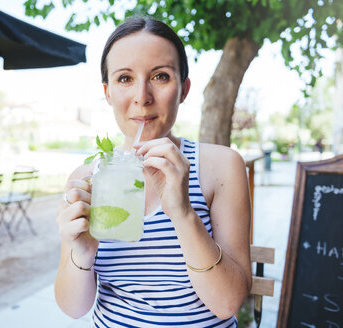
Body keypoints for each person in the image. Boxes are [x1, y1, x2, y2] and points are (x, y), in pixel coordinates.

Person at [55, 17, 252, 327]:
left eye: (160, 76)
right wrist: (82, 252)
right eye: (124, 79)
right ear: (107, 92)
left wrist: (184, 214)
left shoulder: (221, 167)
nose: (142, 96)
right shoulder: (86, 178)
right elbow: (73, 308)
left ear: (184, 89)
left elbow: (227, 303)